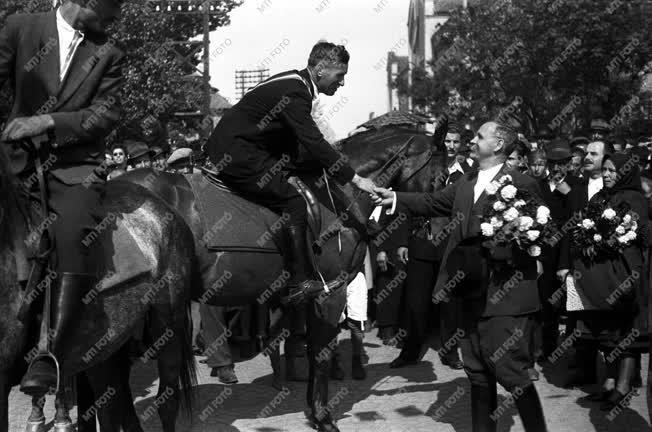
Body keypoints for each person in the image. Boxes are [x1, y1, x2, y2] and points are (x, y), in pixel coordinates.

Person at [206, 41, 375, 431]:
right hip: (237, 155)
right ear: (320, 67)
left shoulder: (294, 86)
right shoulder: (296, 92)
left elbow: (299, 145)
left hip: (247, 148)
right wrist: (353, 177)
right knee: (295, 202)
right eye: (340, 75)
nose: (342, 83)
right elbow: (312, 141)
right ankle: (300, 279)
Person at [373, 121, 547, 432]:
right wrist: (394, 198)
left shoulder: (522, 183)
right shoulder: (467, 182)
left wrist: (505, 247)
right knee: (478, 372)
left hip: (506, 295)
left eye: (480, 135)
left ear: (498, 145)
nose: (472, 139)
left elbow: (538, 233)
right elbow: (431, 202)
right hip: (469, 291)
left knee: (511, 372)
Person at [0, 0, 125, 395]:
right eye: (114, 5)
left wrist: (48, 121)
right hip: (12, 158)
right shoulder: (19, 27)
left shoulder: (110, 53)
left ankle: (50, 354)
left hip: (72, 168)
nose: (118, 15)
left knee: (74, 232)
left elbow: (105, 115)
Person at [565, 153, 648, 409]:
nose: (609, 174)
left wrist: (610, 242)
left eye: (614, 170)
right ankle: (610, 383)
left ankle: (623, 386)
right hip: (600, 278)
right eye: (607, 170)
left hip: (624, 274)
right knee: (606, 332)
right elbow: (584, 227)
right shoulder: (600, 197)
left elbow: (639, 235)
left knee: (626, 333)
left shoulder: (636, 200)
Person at [558, 140, 615, 387]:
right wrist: (563, 264)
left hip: (607, 269)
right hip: (578, 267)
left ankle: (616, 376)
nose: (587, 157)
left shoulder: (615, 189)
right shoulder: (577, 189)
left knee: (610, 322)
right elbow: (566, 230)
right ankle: (583, 371)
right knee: (577, 319)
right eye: (587, 153)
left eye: (594, 153)